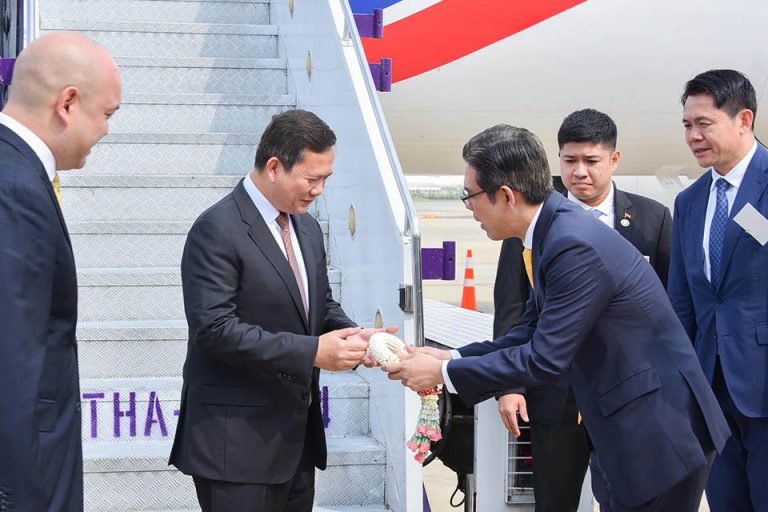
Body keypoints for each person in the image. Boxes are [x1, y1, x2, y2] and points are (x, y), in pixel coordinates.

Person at [384, 124, 730, 512]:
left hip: (660, 433)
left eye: (470, 195)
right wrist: (450, 357)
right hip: (629, 426)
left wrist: (442, 375)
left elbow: (544, 358)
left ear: (506, 196)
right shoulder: (552, 231)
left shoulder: (570, 243)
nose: (468, 207)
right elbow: (529, 330)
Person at [169, 109, 393, 512]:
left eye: (326, 179)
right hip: (236, 448)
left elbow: (318, 305)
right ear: (274, 167)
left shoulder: (306, 227)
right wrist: (313, 352)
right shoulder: (217, 228)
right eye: (312, 179)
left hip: (295, 445)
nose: (320, 190)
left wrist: (356, 335)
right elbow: (214, 330)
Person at [495, 109, 673, 511]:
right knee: (553, 503)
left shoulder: (653, 220)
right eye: (569, 160)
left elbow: (669, 312)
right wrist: (510, 386)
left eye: (591, 161)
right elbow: (510, 310)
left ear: (614, 159)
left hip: (629, 397)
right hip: (556, 397)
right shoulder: (529, 222)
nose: (579, 172)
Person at [0, 32, 121, 512]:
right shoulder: (15, 188)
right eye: (107, 114)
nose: (107, 130)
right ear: (67, 103)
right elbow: (11, 361)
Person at [668, 69, 768, 512]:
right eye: (687, 125)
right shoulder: (689, 202)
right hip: (712, 396)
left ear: (744, 120)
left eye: (704, 124)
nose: (693, 136)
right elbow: (682, 303)